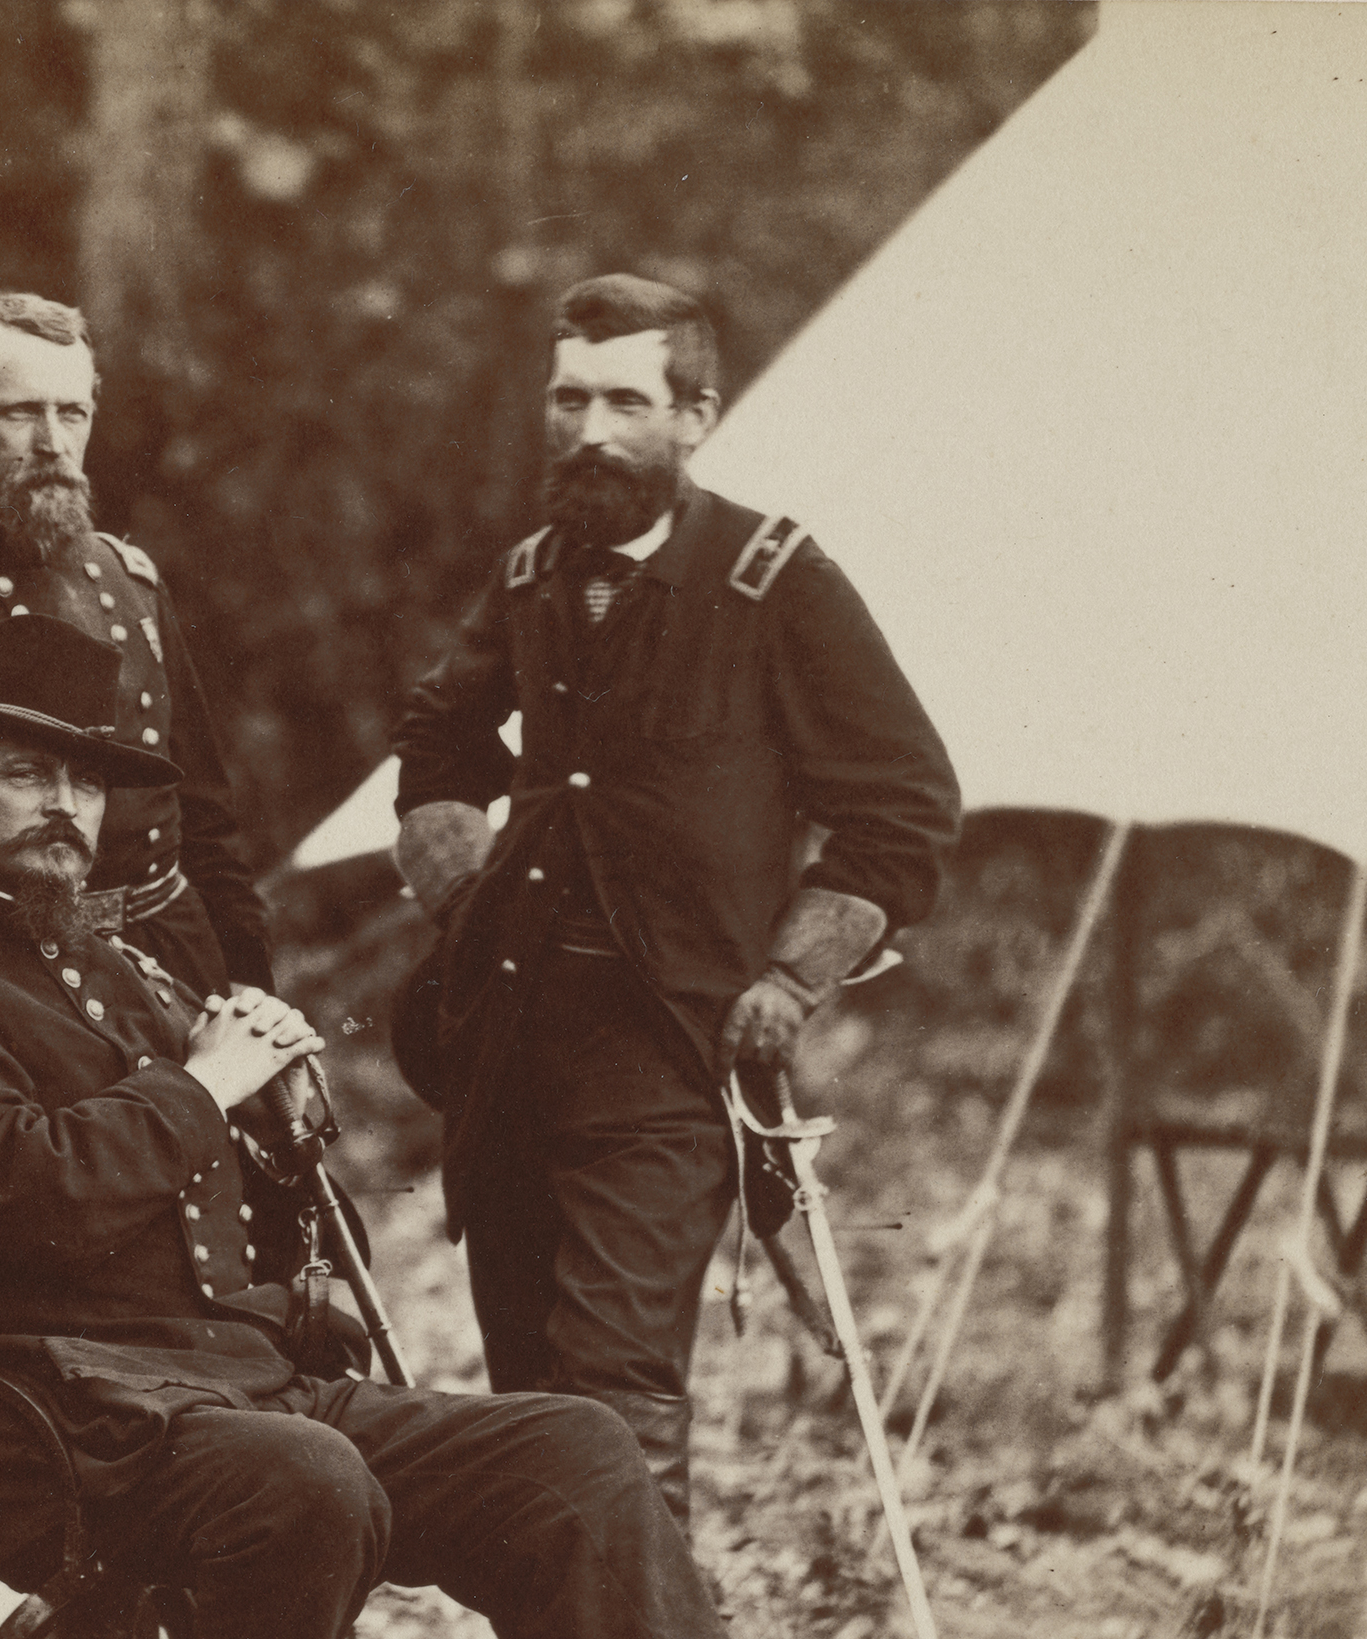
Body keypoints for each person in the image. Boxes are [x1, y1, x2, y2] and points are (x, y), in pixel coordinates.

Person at [0, 613, 817, 1639]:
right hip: (53, 1426)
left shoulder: (135, 981)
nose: (63, 806)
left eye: (83, 778)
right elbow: (32, 1194)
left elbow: (234, 1224)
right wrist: (202, 1087)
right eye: (26, 774)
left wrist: (278, 1113)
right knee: (304, 1475)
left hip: (234, 1393)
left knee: (570, 1441)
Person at [389, 274, 961, 1525]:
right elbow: (438, 740)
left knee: (613, 1386)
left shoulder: (775, 578)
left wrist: (793, 976)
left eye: (626, 401)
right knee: (529, 1390)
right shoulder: (534, 573)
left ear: (696, 415)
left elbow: (906, 802)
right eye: (569, 398)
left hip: (670, 1053)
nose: (591, 431)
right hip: (513, 1039)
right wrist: (460, 892)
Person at [0, 293, 266, 1001]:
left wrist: (248, 977)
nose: (52, 442)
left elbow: (203, 810)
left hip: (177, 951)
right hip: (20, 969)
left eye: (71, 412)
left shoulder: (131, 577)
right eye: (20, 413)